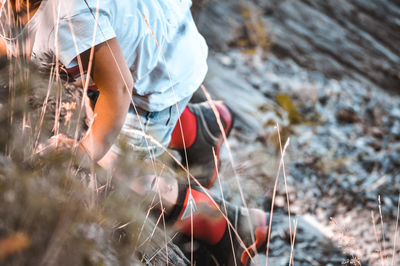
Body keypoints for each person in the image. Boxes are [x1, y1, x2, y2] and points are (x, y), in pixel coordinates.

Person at [0, 0, 269, 264]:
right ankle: (200, 128)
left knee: (113, 172)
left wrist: (83, 152)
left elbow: (118, 90)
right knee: (100, 102)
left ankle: (229, 226)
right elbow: (14, 42)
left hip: (157, 77)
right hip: (146, 44)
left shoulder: (74, 15)